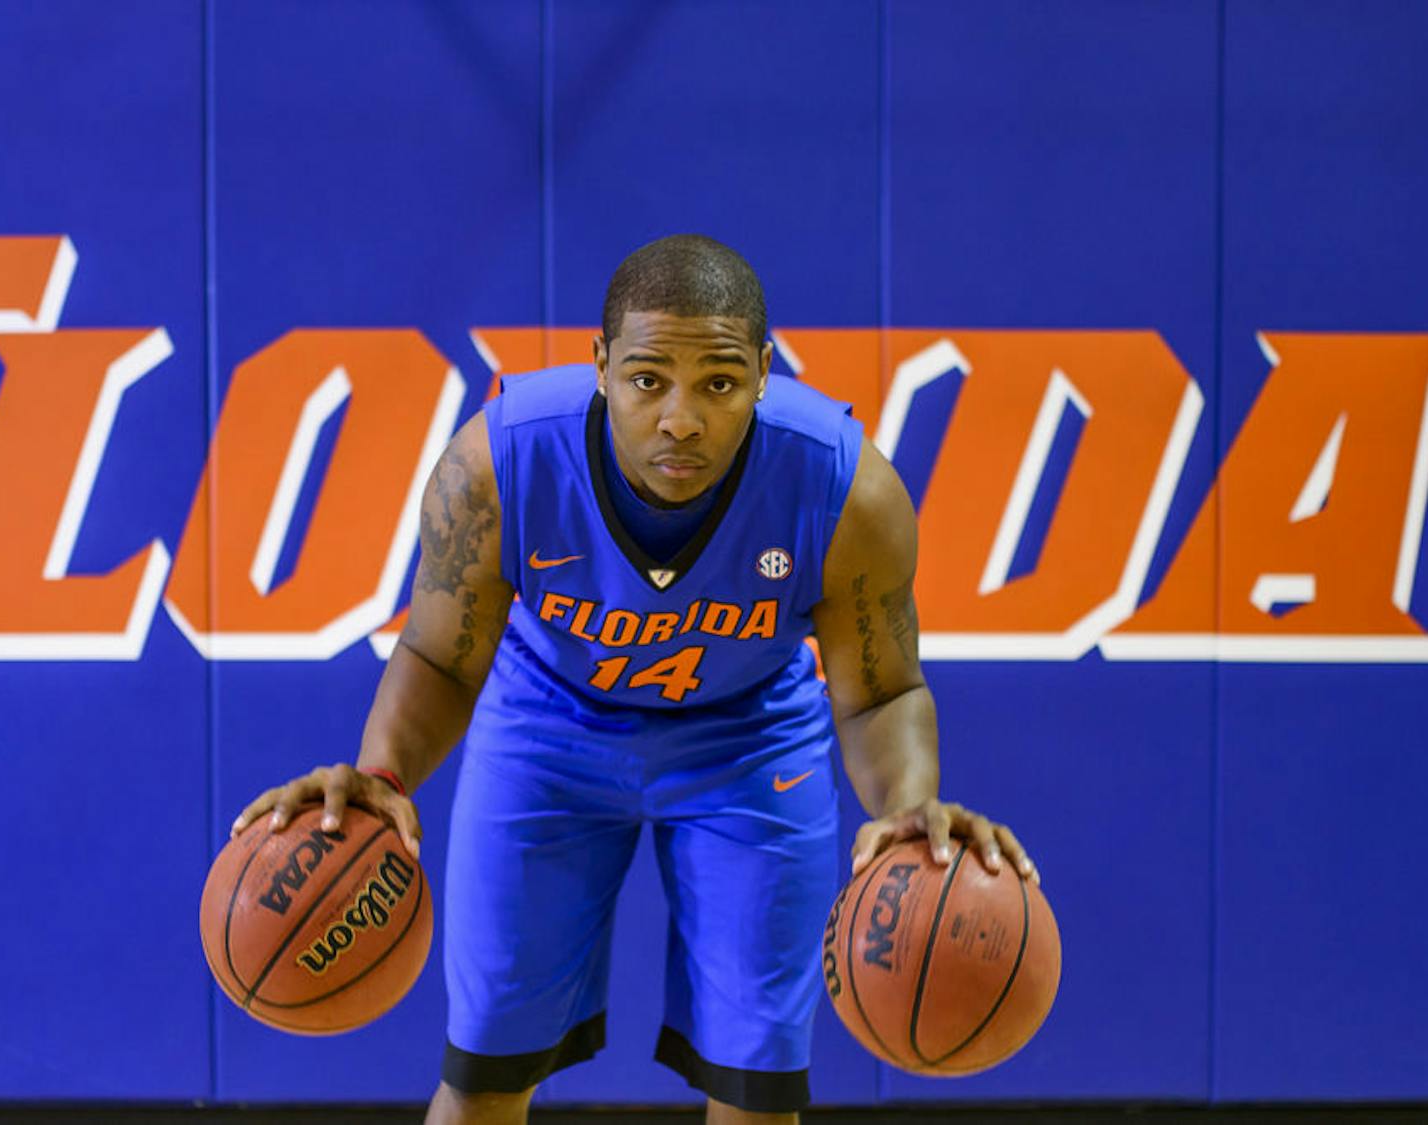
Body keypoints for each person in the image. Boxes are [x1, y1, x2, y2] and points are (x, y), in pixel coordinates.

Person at [233, 235, 1038, 1125]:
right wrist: (381, 775)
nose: (681, 418)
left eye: (719, 383)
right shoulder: (496, 466)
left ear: (765, 372)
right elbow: (439, 654)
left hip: (748, 738)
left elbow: (882, 691)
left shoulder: (847, 490)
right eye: (649, 379)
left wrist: (904, 809)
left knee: (756, 1087)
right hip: (548, 723)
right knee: (484, 1069)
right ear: (601, 364)